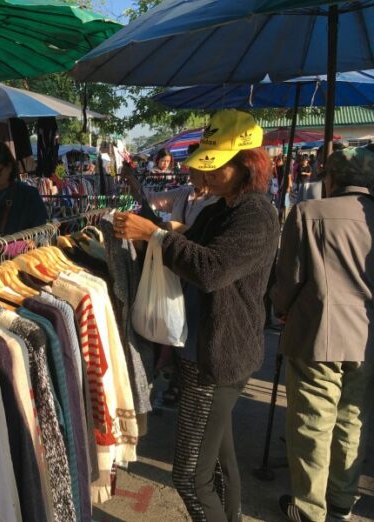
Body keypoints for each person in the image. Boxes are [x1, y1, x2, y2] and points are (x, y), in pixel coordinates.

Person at [114, 109, 279, 522]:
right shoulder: (218, 210)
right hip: (204, 353)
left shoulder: (256, 214)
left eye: (217, 167)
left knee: (189, 476)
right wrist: (158, 232)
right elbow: (190, 254)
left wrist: (154, 235)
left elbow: (211, 269)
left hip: (217, 359)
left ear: (246, 165)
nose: (206, 176)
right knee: (218, 463)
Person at [270, 146, 374, 522]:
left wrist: (279, 309)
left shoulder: (309, 213)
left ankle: (310, 508)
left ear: (331, 178)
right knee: (353, 419)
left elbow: (289, 281)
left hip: (318, 331)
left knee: (312, 421)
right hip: (367, 335)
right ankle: (343, 501)